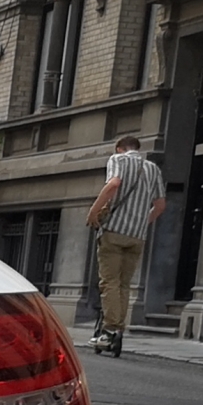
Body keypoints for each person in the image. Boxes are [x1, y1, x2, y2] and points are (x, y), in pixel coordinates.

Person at [86, 134, 165, 356]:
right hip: (137, 236)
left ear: (120, 148)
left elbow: (114, 184)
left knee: (109, 282)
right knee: (123, 284)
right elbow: (160, 206)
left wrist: (94, 210)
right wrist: (142, 222)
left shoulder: (117, 160)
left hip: (114, 231)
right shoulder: (153, 169)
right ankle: (118, 330)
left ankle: (110, 331)